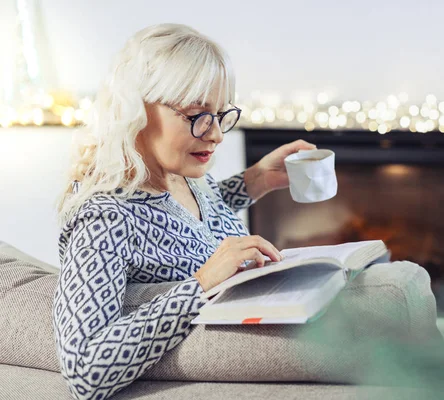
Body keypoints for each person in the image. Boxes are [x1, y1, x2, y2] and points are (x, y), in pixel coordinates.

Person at [53, 23, 316, 400]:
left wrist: (256, 180)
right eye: (197, 115)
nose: (216, 135)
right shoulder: (104, 218)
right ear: (138, 110)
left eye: (221, 115)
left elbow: (188, 226)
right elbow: (84, 369)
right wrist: (201, 284)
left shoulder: (183, 178)